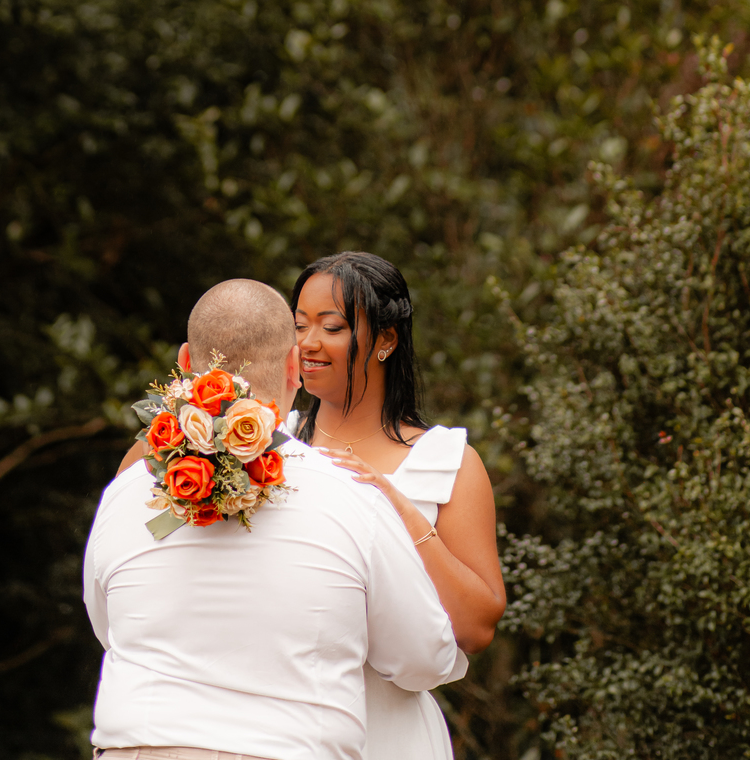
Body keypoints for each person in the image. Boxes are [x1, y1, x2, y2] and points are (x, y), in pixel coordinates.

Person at [84, 277, 466, 760]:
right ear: (294, 366)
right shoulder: (354, 498)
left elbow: (107, 625)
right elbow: (423, 661)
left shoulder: (125, 495)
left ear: (183, 363)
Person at [292, 251, 506, 760]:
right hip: (281, 725)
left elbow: (477, 627)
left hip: (390, 734)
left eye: (333, 326)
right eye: (299, 326)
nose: (308, 344)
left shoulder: (447, 460)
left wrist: (398, 511)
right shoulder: (268, 443)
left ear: (386, 339)